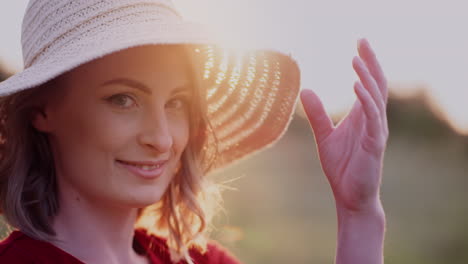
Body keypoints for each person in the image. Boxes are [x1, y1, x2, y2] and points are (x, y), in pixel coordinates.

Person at [0, 0, 388, 263]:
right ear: (42, 110)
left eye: (177, 103)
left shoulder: (201, 260)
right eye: (122, 100)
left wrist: (358, 213)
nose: (163, 139)